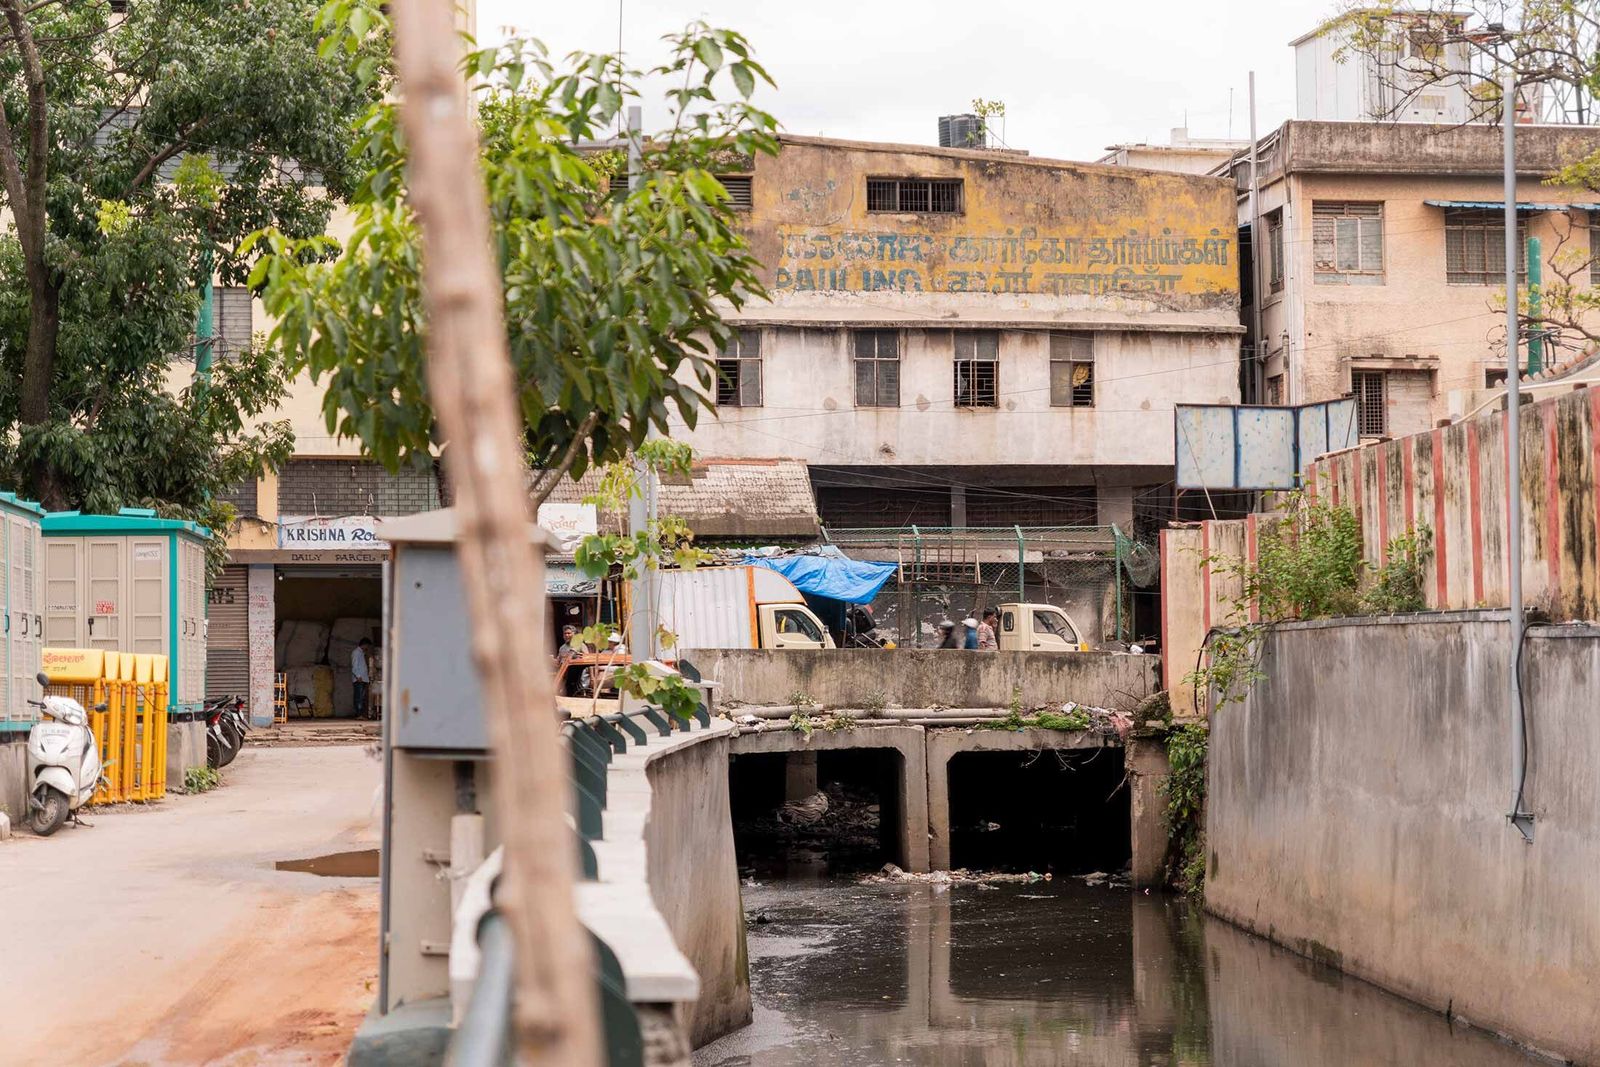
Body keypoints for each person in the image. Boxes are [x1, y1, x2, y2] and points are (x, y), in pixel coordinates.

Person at [352, 637, 373, 719]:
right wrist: (358, 676)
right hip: (359, 679)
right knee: (359, 697)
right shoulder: (356, 653)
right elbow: (354, 666)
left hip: (363, 678)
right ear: (364, 645)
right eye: (367, 646)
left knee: (361, 697)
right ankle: (358, 714)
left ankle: (360, 714)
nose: (367, 648)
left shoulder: (361, 653)